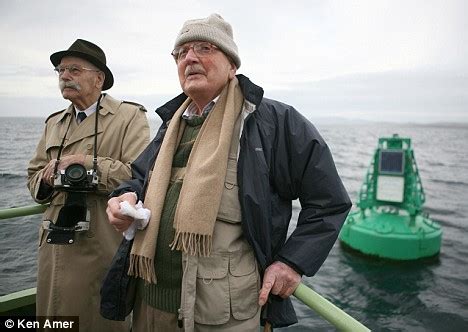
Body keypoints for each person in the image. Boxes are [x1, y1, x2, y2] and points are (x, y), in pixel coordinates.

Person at [106, 14, 351, 331]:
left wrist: (293, 262)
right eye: (181, 53)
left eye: (204, 48)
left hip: (222, 316)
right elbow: (139, 178)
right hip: (149, 307)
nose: (190, 58)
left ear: (232, 65)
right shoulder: (170, 126)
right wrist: (124, 197)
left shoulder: (274, 121)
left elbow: (329, 201)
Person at [27, 39, 150, 331]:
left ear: (99, 78)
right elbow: (33, 178)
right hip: (55, 243)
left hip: (102, 240)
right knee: (54, 316)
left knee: (98, 318)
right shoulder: (54, 123)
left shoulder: (129, 117)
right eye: (61, 70)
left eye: (74, 69)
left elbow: (139, 174)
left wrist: (85, 163)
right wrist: (46, 179)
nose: (64, 76)